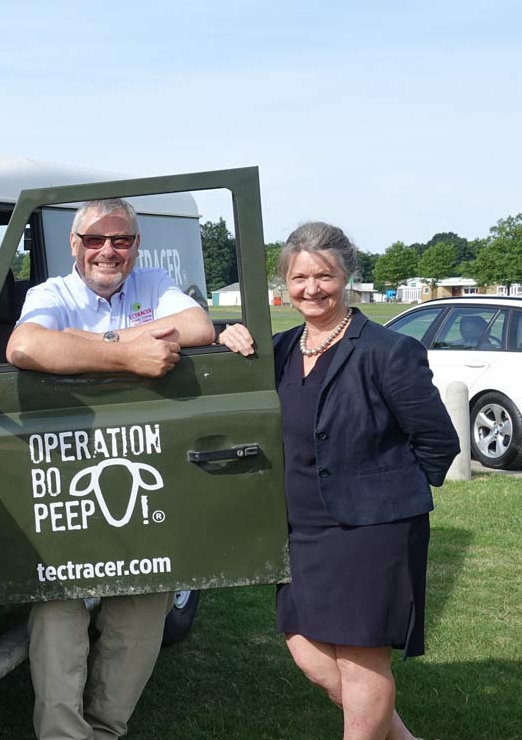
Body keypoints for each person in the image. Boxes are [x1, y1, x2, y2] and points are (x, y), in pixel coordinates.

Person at [218, 222, 457, 740]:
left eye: (324, 275)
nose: (312, 288)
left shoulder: (387, 350)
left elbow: (438, 443)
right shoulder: (278, 352)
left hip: (372, 530)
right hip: (301, 530)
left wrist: (388, 496)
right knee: (306, 650)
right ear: (283, 283)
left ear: (346, 276)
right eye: (299, 277)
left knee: (360, 660)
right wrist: (225, 334)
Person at [6, 197, 214, 740]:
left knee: (144, 606)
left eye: (120, 240)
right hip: (72, 472)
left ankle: (105, 728)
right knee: (57, 608)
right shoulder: (50, 293)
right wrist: (127, 354)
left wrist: (88, 344)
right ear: (74, 245)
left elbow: (196, 325)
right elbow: (25, 345)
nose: (108, 251)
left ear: (136, 246)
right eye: (95, 239)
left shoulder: (151, 285)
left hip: (144, 467)